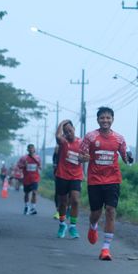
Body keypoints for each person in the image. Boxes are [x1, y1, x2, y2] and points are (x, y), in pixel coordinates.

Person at [79, 106, 133, 260]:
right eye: (102, 118)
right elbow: (80, 156)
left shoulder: (119, 139)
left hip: (113, 180)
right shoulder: (90, 137)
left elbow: (126, 158)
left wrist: (129, 158)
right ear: (97, 120)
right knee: (96, 213)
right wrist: (83, 158)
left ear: (112, 120)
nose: (105, 120)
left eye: (108, 118)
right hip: (95, 180)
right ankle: (93, 226)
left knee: (110, 210)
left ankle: (105, 249)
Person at [54, 119, 83, 239]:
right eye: (66, 132)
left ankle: (73, 226)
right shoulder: (63, 142)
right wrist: (62, 123)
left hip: (76, 176)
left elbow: (86, 157)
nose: (68, 133)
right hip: (62, 175)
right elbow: (57, 136)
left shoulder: (81, 142)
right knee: (63, 202)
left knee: (75, 200)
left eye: (70, 130)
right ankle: (62, 224)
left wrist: (84, 159)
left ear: (74, 129)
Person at [17, 144, 42, 215]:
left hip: (35, 178)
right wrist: (24, 165)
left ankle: (33, 208)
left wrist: (39, 167)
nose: (31, 149)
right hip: (27, 178)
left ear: (34, 149)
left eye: (32, 148)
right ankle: (26, 206)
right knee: (27, 193)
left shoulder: (38, 158)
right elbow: (19, 166)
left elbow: (40, 166)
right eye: (29, 148)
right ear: (27, 150)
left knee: (34, 192)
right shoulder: (23, 158)